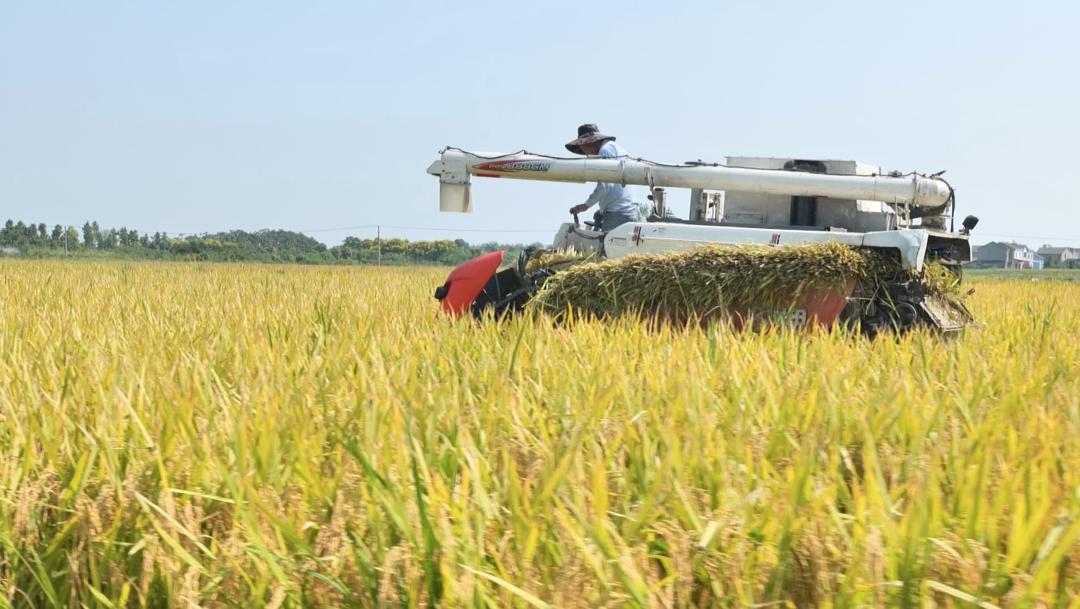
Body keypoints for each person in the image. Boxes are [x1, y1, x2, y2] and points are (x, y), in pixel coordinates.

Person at [565, 124, 640, 232]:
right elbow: (615, 186)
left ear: (590, 143)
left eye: (583, 149)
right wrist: (602, 210)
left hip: (618, 214)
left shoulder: (604, 151)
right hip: (627, 210)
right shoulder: (614, 148)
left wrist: (586, 205)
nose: (586, 154)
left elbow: (605, 185)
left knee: (608, 243)